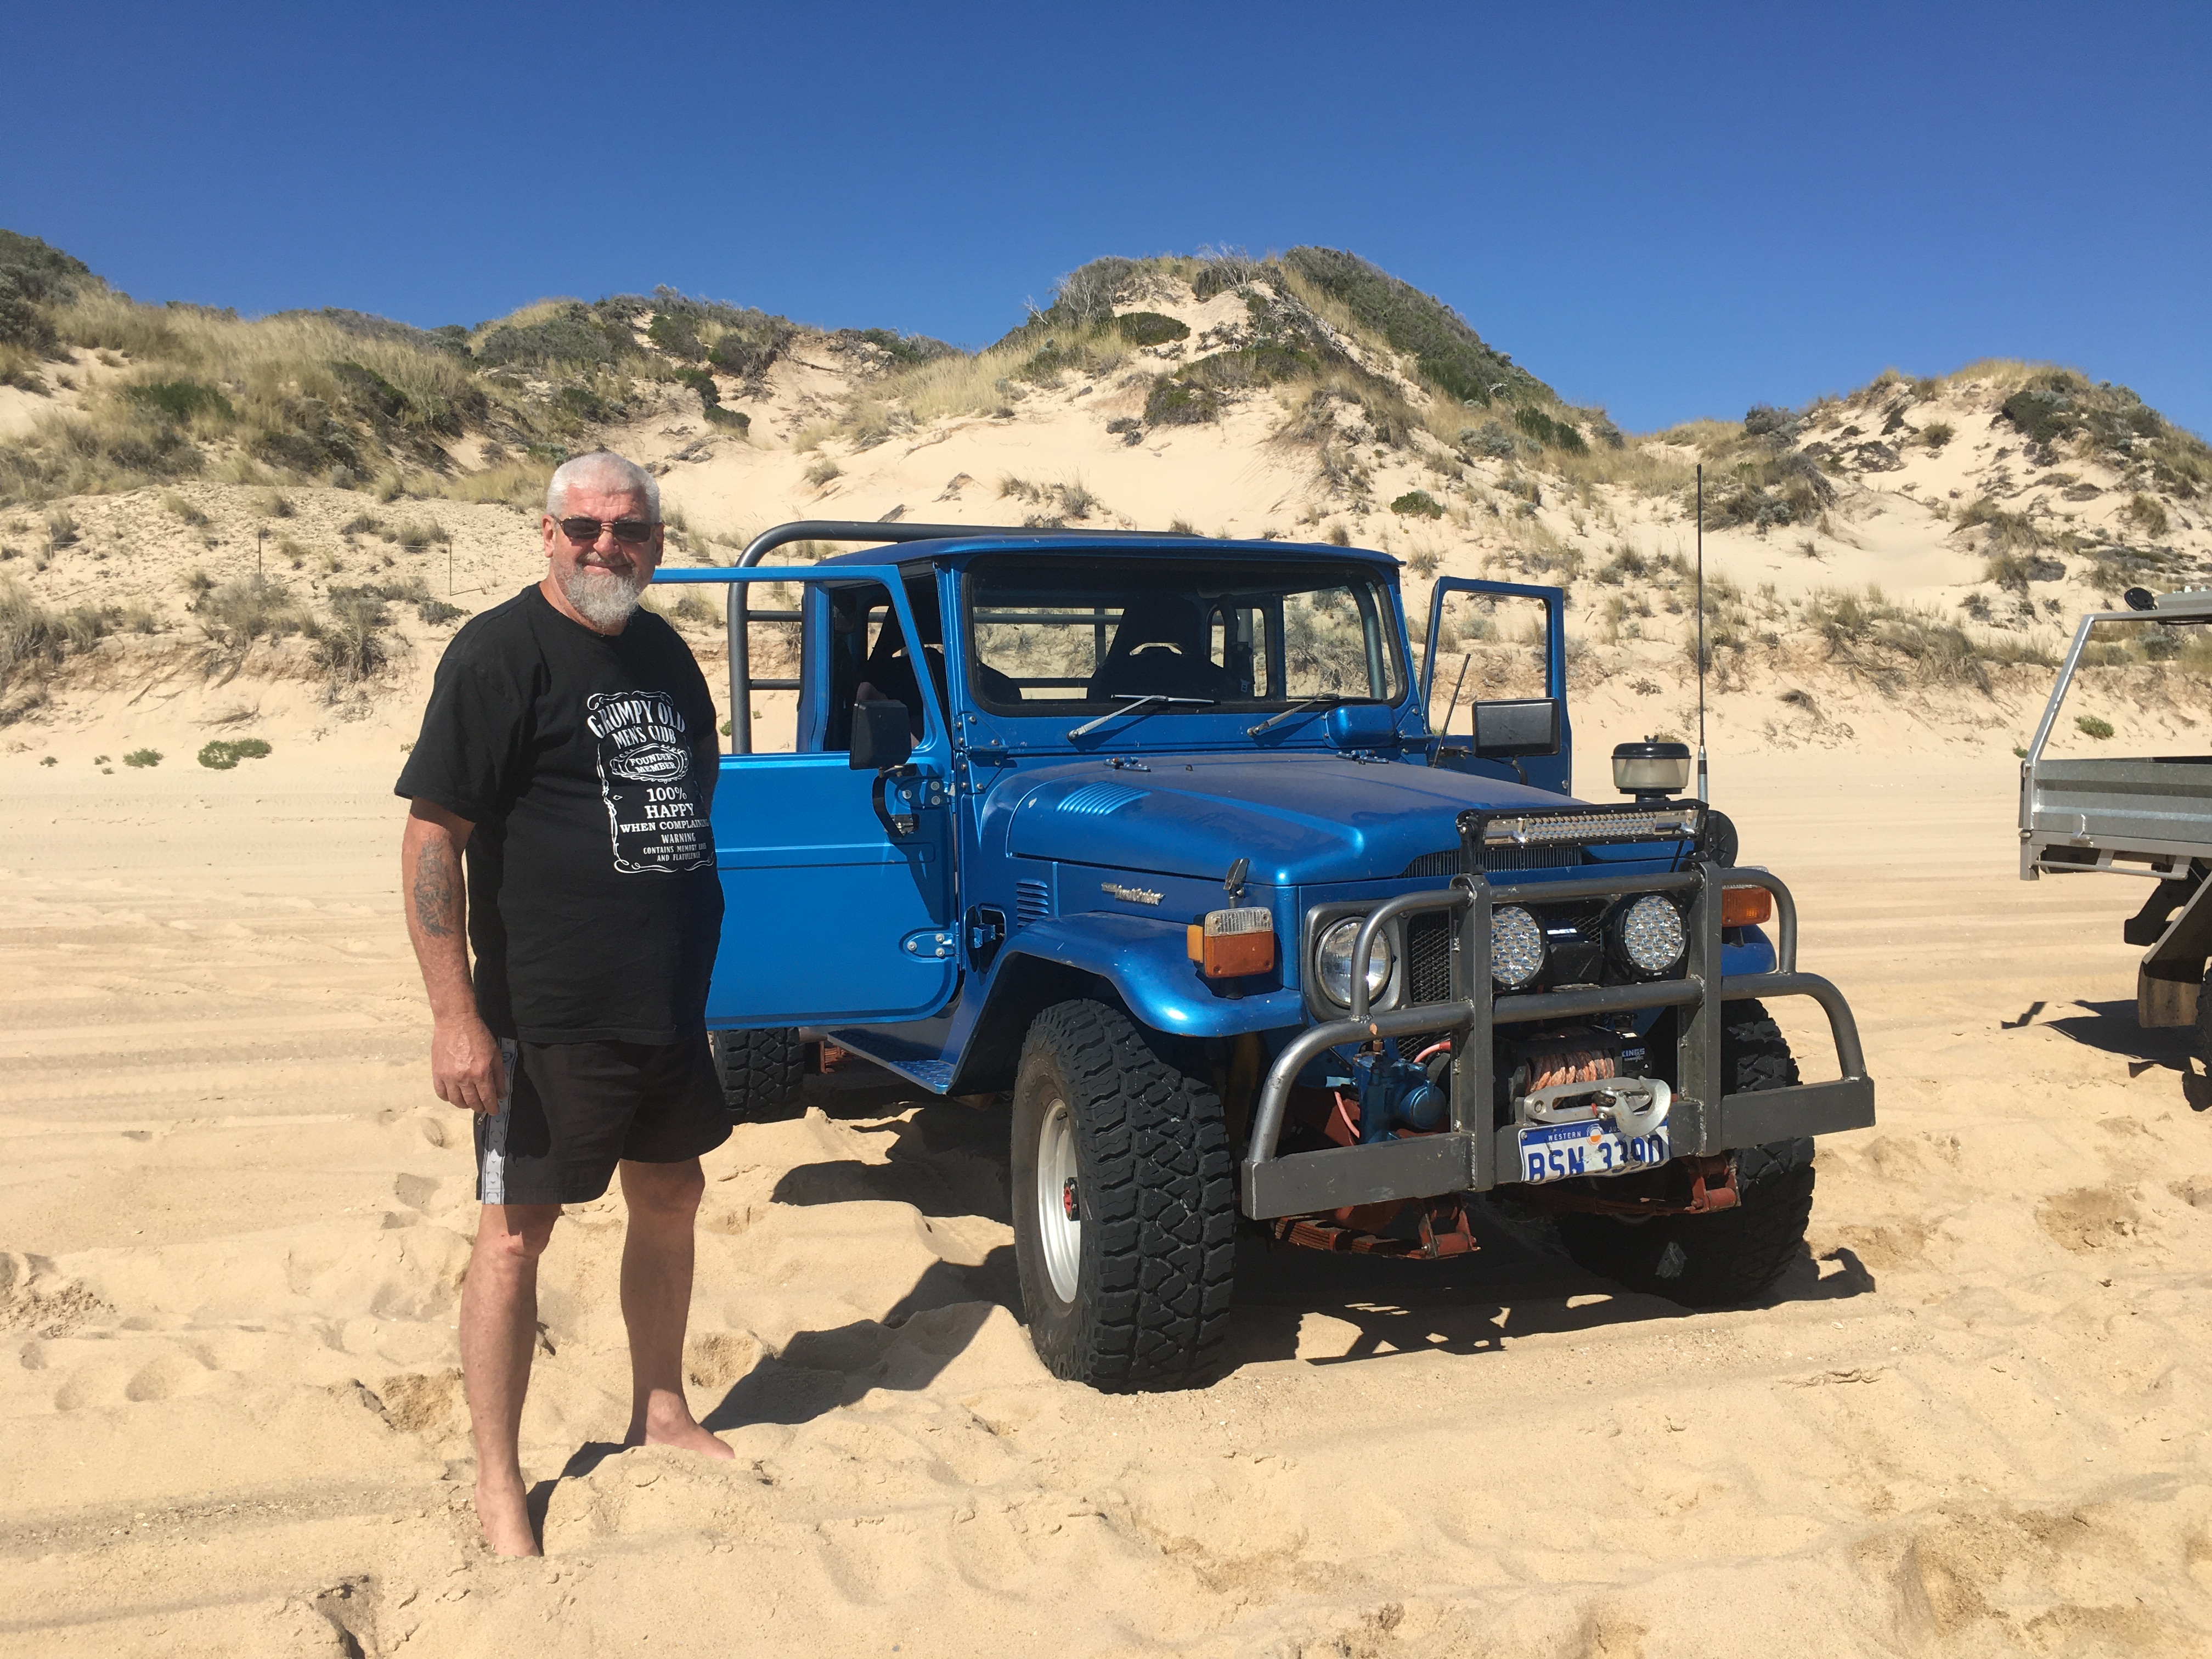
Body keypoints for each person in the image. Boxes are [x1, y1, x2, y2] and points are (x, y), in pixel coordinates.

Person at [396, 449, 733, 1557]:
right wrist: (456, 1017)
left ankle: (660, 1409)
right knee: (515, 1236)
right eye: (583, 528)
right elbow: (432, 840)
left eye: (627, 528)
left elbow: (695, 790)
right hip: (545, 1010)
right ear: (547, 535)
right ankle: (499, 1482)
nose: (605, 546)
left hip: (666, 999)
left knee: (673, 1193)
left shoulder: (665, 652)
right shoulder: (499, 653)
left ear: (657, 543)